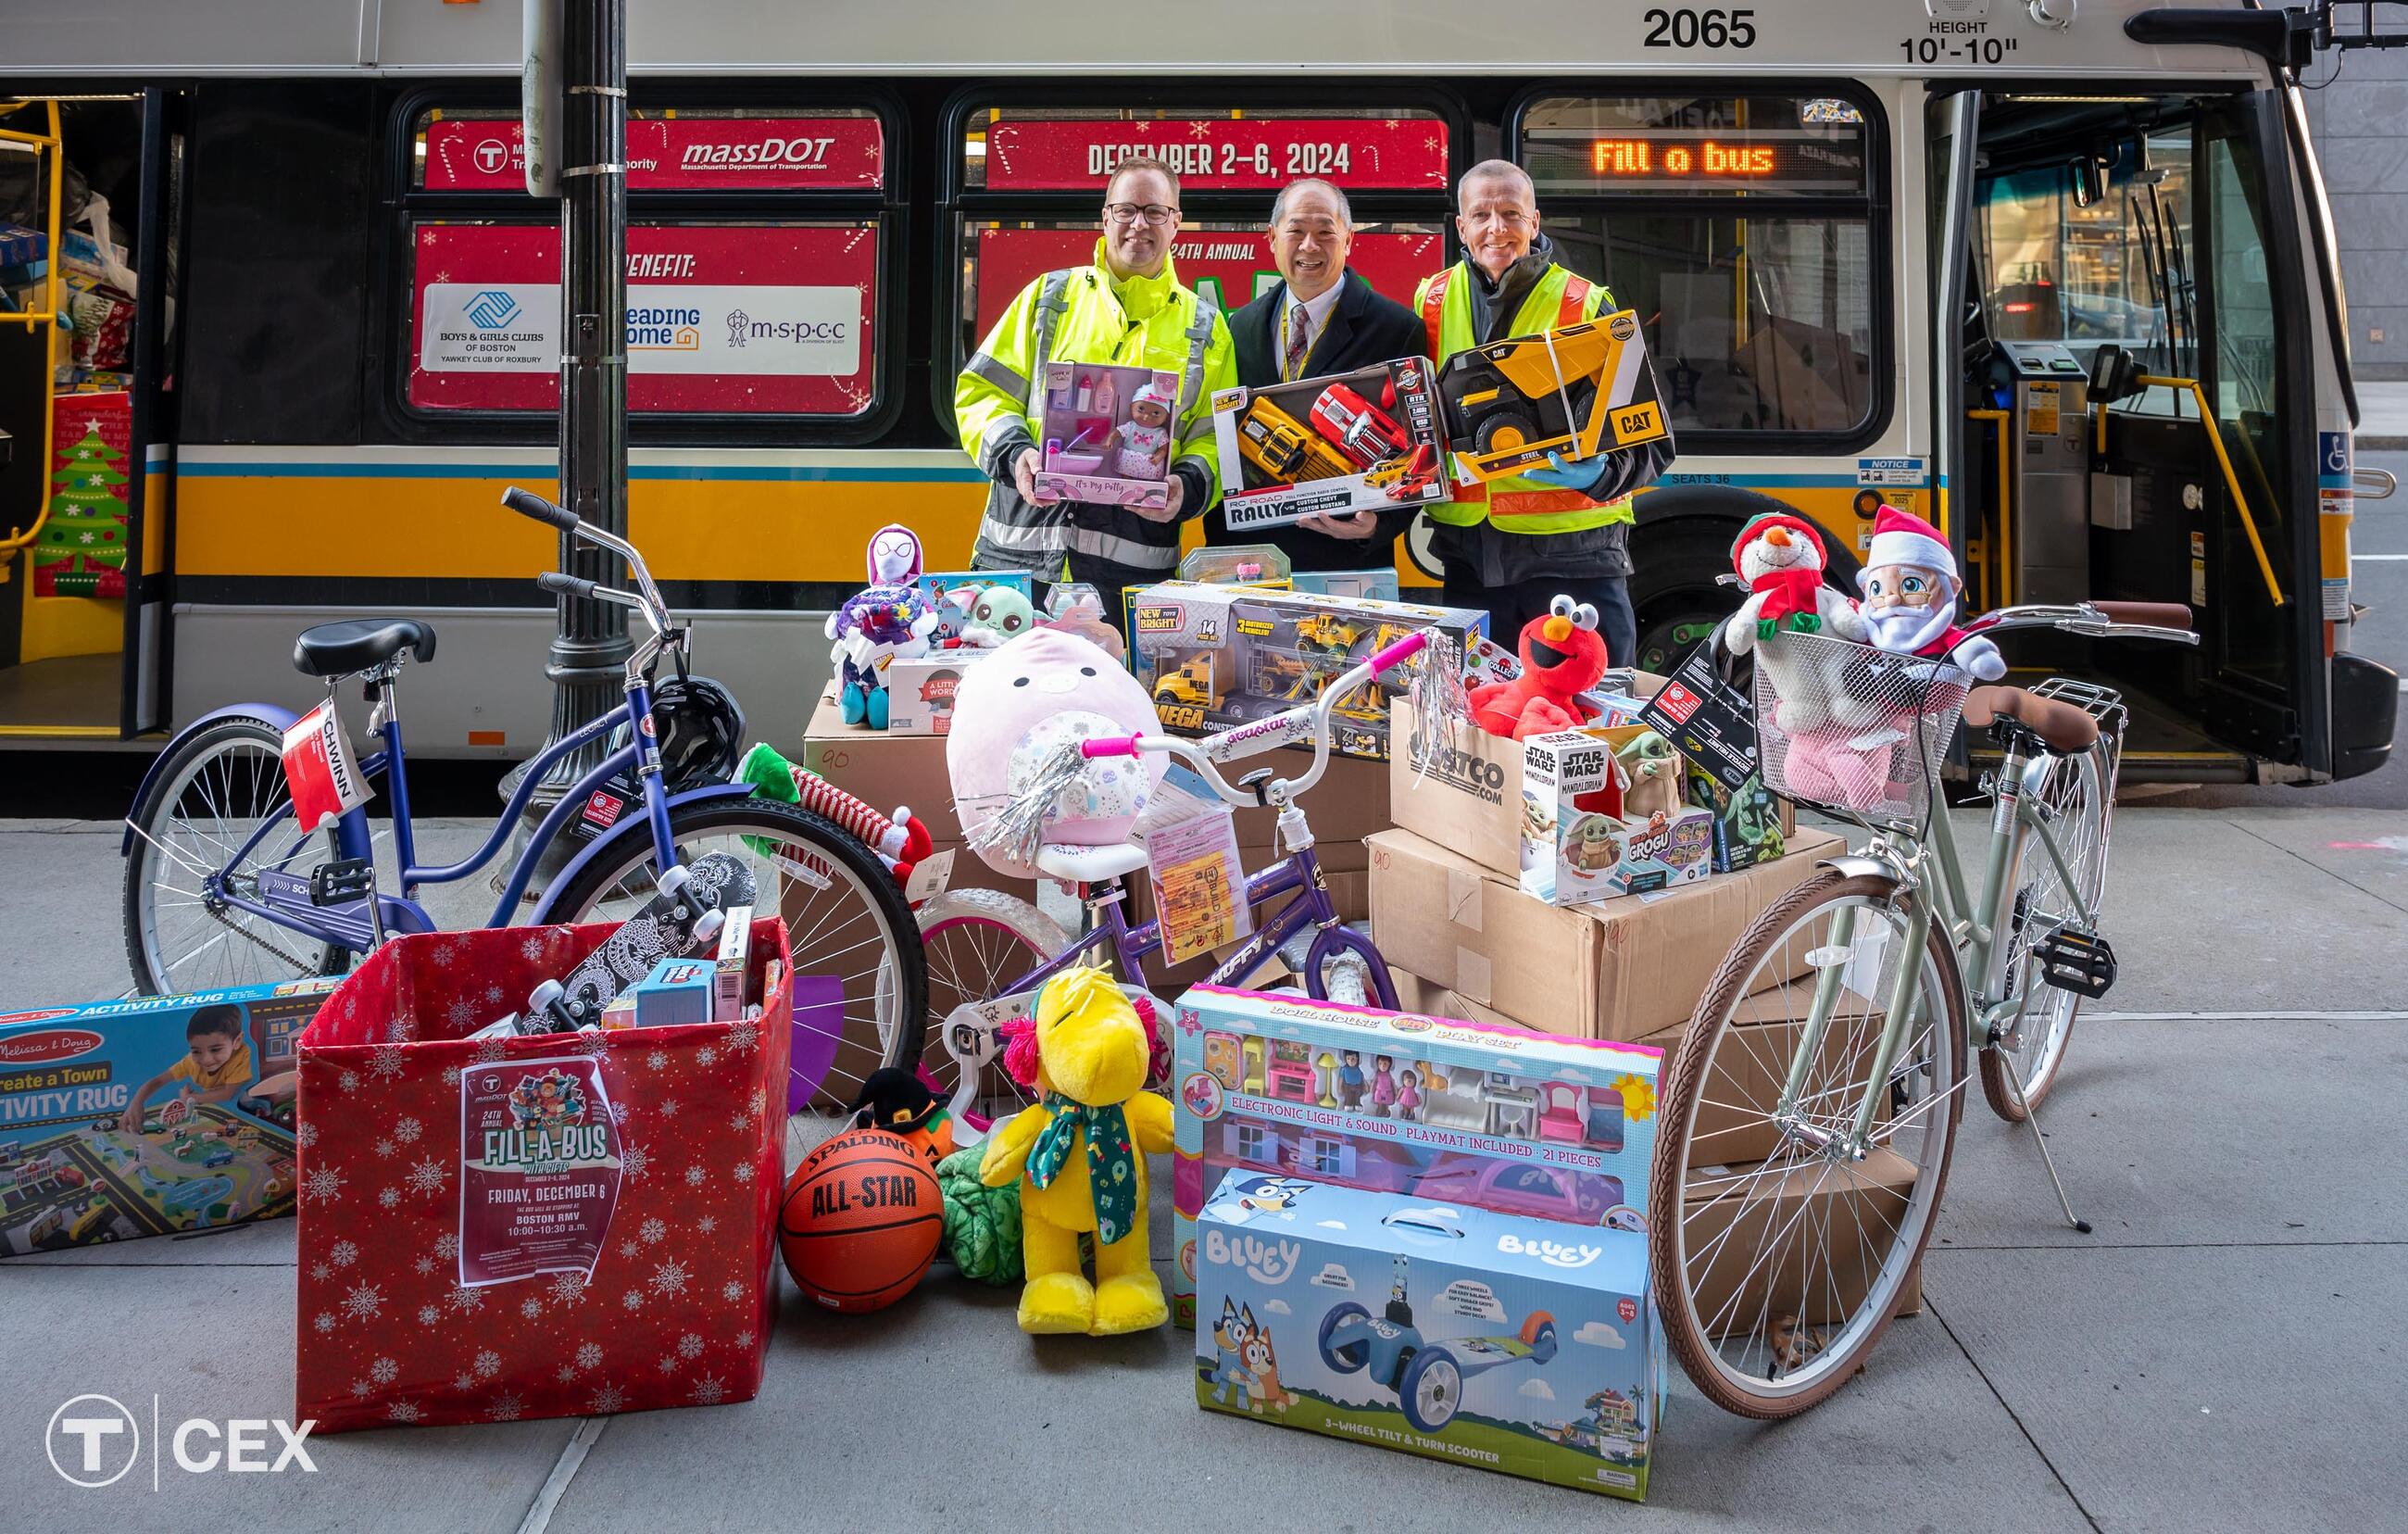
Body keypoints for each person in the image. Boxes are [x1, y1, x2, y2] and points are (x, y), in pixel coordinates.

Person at [956, 156, 1236, 628]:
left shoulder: (1206, 328)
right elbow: (981, 393)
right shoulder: (1048, 298)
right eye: (1126, 210)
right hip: (1018, 569)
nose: (1138, 225)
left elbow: (1216, 439)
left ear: (1176, 223)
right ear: (1105, 217)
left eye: (1155, 212)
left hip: (1130, 579)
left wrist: (1185, 486)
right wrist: (1016, 454)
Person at [1413, 160, 1673, 666]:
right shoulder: (1431, 302)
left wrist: (1601, 474)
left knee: (1586, 726)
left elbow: (1653, 444)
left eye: (1511, 213)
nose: (1497, 228)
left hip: (1577, 565)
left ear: (1534, 223)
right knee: (1480, 730)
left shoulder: (1587, 305)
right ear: (1461, 227)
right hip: (1470, 566)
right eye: (1481, 214)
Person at [1208, 177, 1428, 572]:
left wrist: (1378, 525)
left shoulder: (1397, 328)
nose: (1310, 246)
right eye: (1296, 231)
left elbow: (1421, 448)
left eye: (1326, 232)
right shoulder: (1240, 326)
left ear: (1348, 240)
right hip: (1252, 562)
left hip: (1344, 560)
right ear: (1272, 238)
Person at [119, 1004, 255, 1132]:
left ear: (236, 1042)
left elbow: (227, 1094)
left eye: (215, 1050)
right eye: (196, 1051)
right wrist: (136, 1102)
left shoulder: (242, 1054)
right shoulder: (191, 1062)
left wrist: (190, 1098)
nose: (206, 1059)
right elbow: (158, 1081)